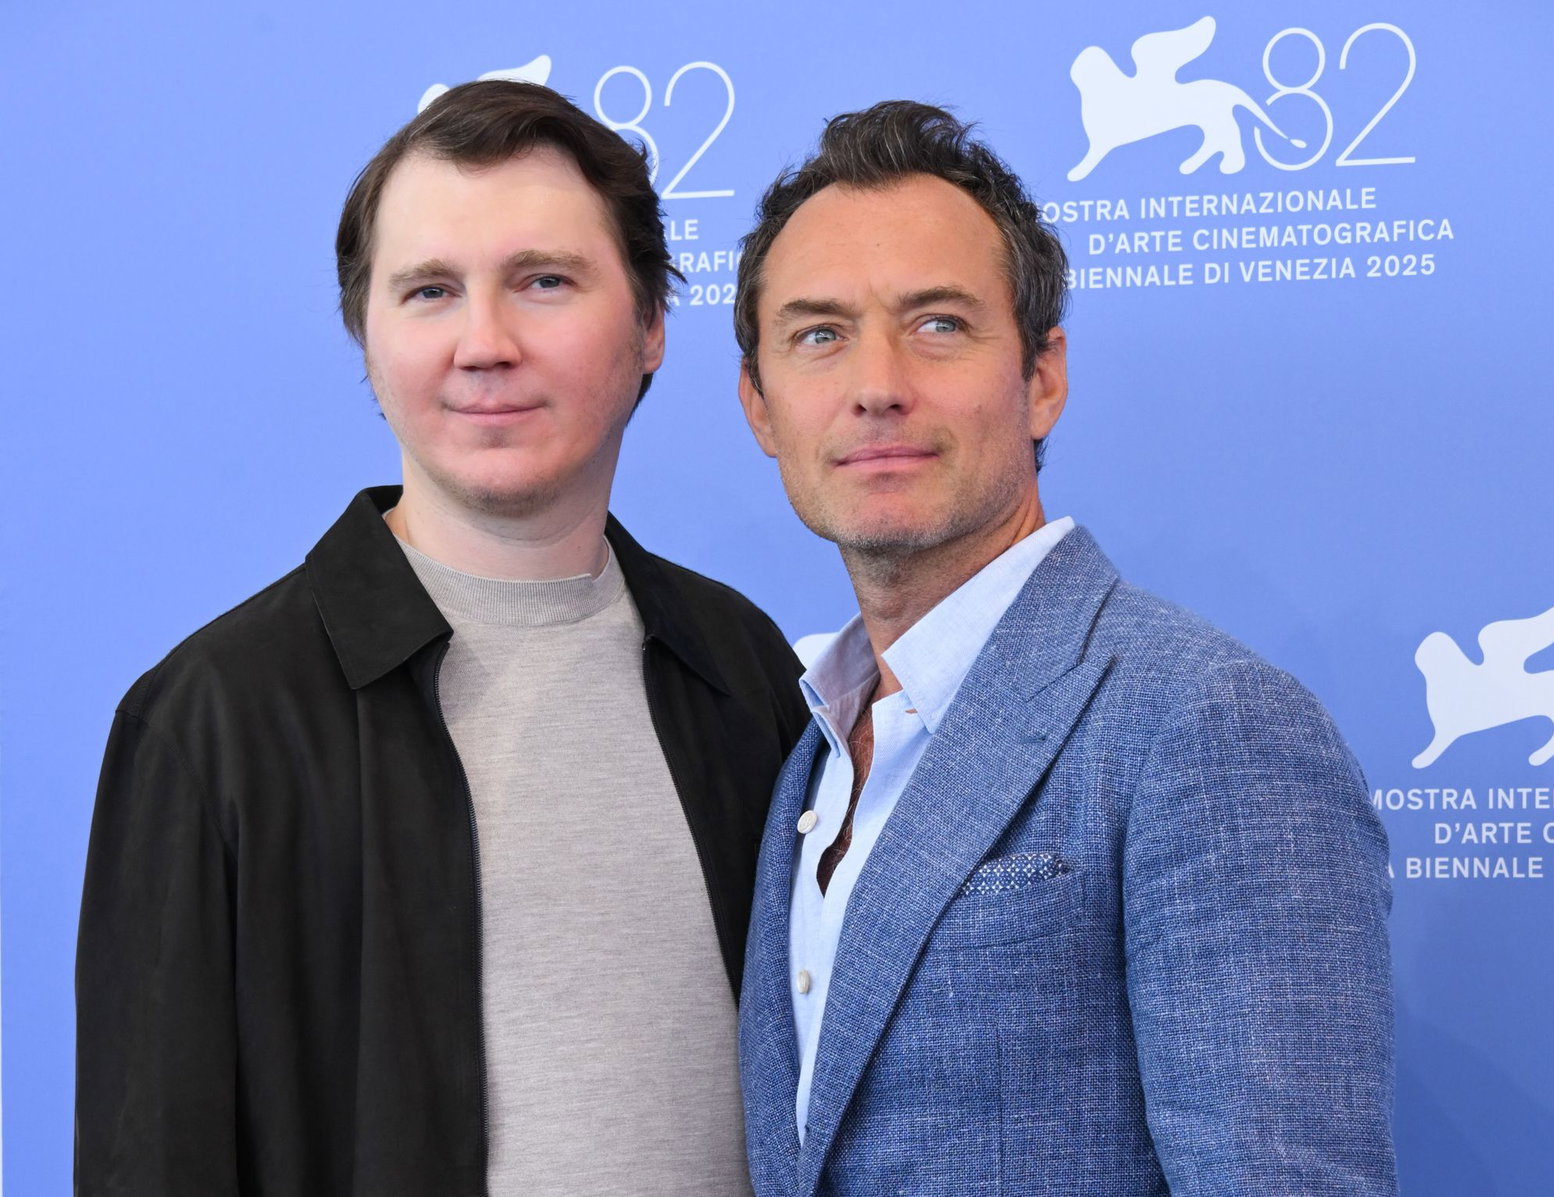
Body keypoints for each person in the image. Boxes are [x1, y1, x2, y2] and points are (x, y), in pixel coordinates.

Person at [76, 80, 806, 1196]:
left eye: (544, 282)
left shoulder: (744, 669)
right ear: (367, 341)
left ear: (652, 323)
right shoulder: (213, 720)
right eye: (428, 291)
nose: (484, 342)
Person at [733, 101, 1395, 1196]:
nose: (876, 382)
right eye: (818, 334)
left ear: (1041, 376)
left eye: (938, 323)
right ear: (761, 406)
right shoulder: (808, 743)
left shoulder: (1203, 722)